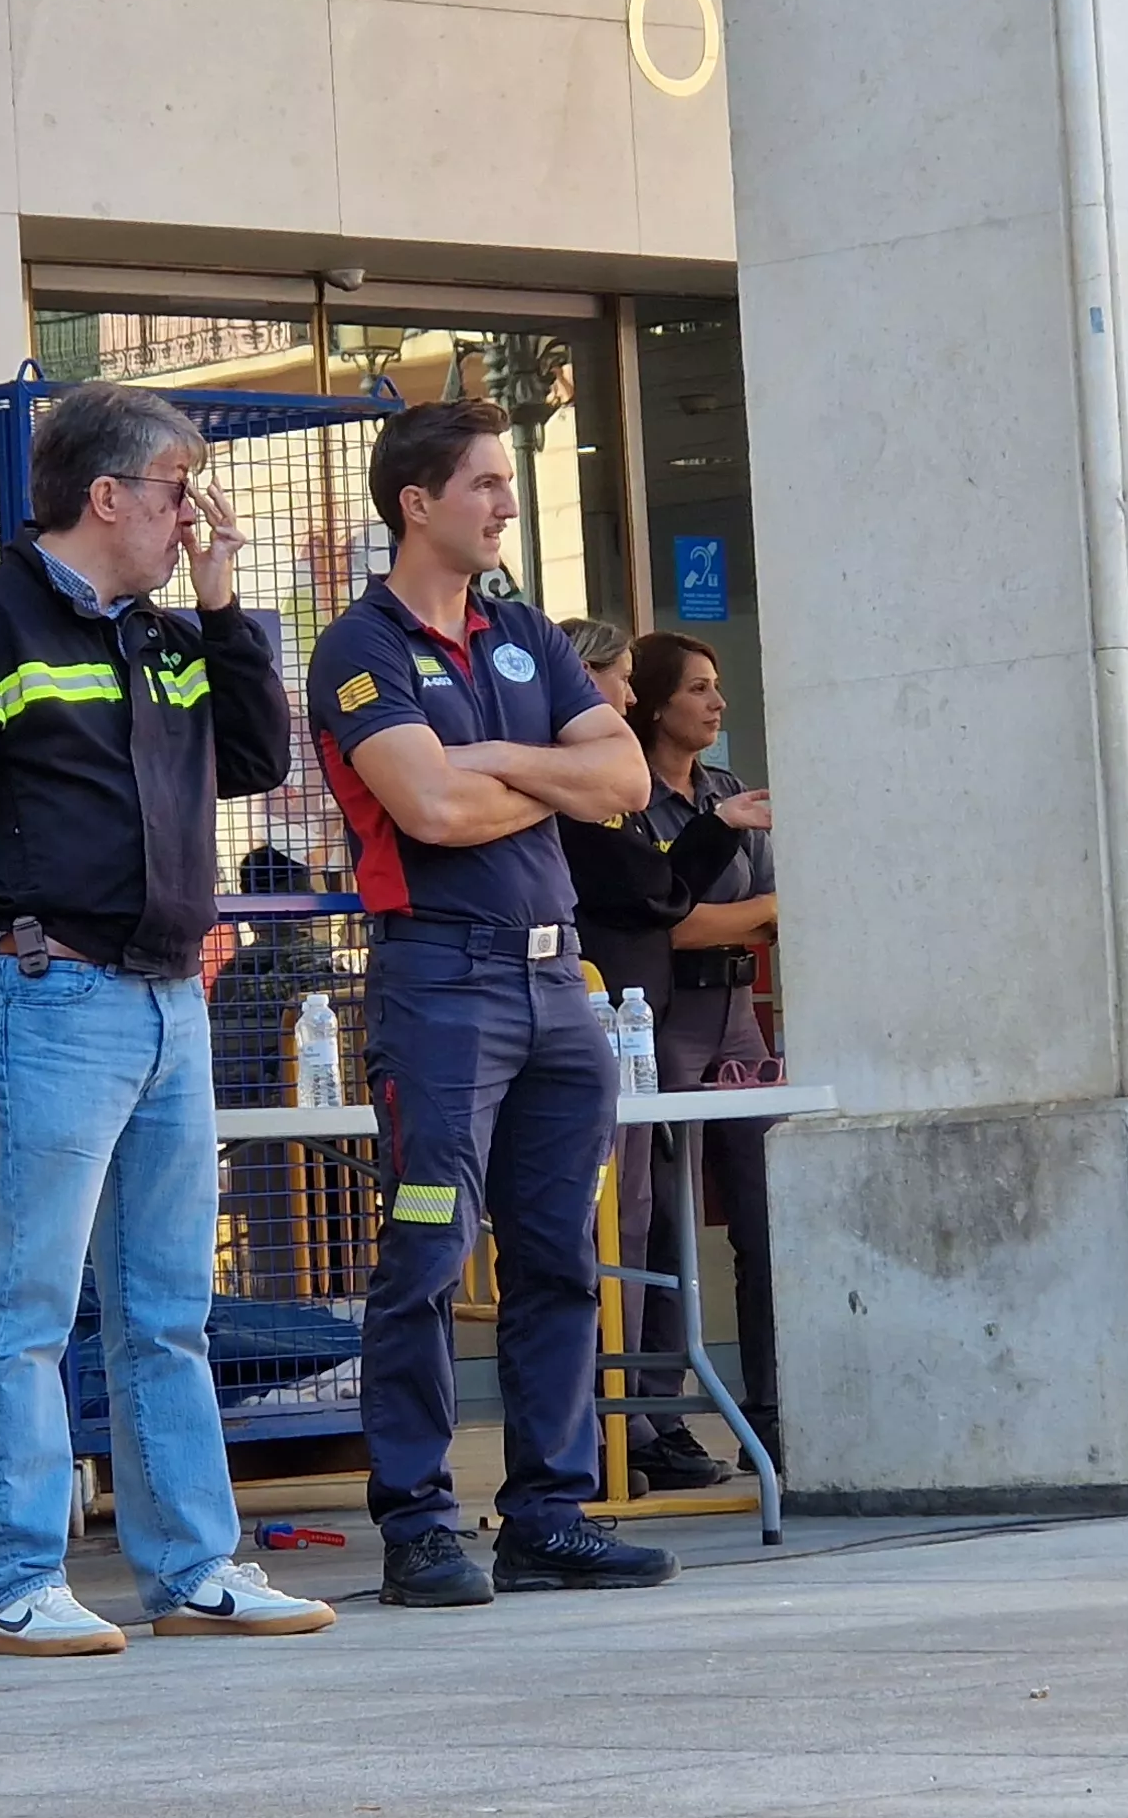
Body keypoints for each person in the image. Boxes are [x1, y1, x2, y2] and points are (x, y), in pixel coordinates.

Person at [0, 383, 337, 1658]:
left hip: (171, 996)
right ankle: (18, 1577)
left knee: (166, 1304)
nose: (198, 515)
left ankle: (194, 1569)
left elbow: (250, 758)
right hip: (47, 998)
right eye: (181, 490)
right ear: (108, 494)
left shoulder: (166, 635)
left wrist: (228, 602)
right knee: (24, 1304)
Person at [306, 399, 676, 1607]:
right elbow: (429, 813)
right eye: (484, 484)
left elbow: (623, 778)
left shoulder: (526, 634)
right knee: (423, 1255)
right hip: (441, 984)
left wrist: (495, 761)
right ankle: (418, 1524)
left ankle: (547, 1515)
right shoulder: (356, 648)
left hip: (557, 985)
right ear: (415, 503)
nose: (506, 503)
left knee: (560, 1256)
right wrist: (546, 776)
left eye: (505, 484)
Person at [552, 618, 769, 1490]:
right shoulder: (587, 792)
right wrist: (757, 901)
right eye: (622, 681)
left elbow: (664, 882)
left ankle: (664, 1423)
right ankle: (617, 1431)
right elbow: (657, 899)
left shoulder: (656, 794)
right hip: (616, 1024)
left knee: (687, 1215)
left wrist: (717, 835)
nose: (630, 699)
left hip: (696, 1013)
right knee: (624, 1222)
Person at [622, 630, 783, 1479]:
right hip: (663, 1014)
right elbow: (670, 921)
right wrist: (759, 912)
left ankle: (776, 1405)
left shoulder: (730, 791)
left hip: (737, 1016)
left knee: (764, 1212)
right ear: (652, 701)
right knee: (654, 1220)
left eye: (717, 687)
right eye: (697, 690)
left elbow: (776, 907)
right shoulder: (630, 797)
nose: (717, 704)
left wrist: (756, 914)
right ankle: (656, 1417)